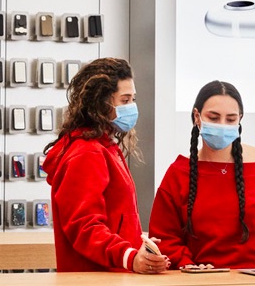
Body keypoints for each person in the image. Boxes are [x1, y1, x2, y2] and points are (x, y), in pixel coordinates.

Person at [149, 80, 255, 269]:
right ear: (197, 116)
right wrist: (188, 265)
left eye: (230, 119)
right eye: (213, 117)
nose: (222, 125)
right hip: (197, 284)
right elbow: (165, 237)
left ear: (240, 120)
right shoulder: (179, 172)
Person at [43, 57, 170, 274]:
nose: (132, 107)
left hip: (109, 280)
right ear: (101, 102)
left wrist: (138, 243)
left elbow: (116, 218)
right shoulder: (87, 153)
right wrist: (129, 257)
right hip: (95, 285)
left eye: (133, 99)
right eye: (125, 100)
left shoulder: (103, 147)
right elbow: (85, 226)